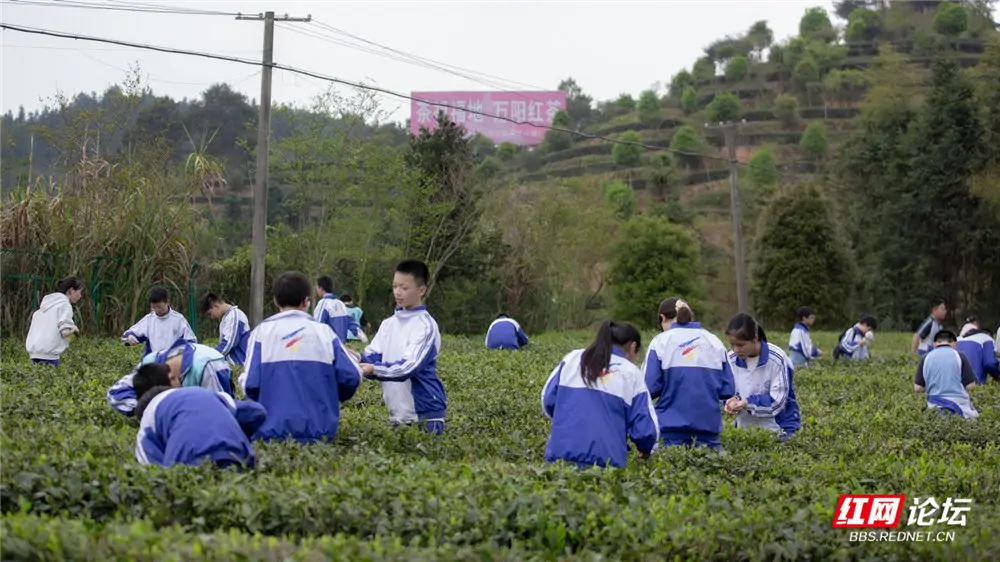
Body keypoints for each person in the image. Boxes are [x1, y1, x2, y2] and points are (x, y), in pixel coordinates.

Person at [239, 271, 361, 443]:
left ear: (276, 301)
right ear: (306, 301)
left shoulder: (261, 332)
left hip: (271, 438)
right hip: (320, 436)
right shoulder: (324, 333)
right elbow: (351, 376)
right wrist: (332, 396)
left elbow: (250, 385)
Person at [542, 320, 658, 469]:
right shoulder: (631, 372)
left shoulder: (571, 359)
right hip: (605, 464)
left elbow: (547, 401)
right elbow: (645, 429)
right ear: (632, 347)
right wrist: (645, 450)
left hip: (559, 459)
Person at [359, 260, 448, 435]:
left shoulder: (426, 326)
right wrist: (354, 356)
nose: (397, 292)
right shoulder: (388, 324)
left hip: (425, 416)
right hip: (398, 416)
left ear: (421, 290)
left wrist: (373, 369)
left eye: (404, 288)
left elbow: (408, 367)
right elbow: (371, 358)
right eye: (395, 286)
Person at [641, 297, 735, 450]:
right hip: (709, 432)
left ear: (662, 318)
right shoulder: (714, 341)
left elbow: (648, 388)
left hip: (670, 432)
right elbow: (728, 390)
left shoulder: (660, 342)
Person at [134, 381, 266, 469]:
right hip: (234, 451)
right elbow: (256, 412)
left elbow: (151, 470)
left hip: (187, 458)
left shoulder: (148, 415)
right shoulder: (205, 393)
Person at [106, 338, 232, 417]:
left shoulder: (207, 366)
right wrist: (146, 409)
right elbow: (116, 392)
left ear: (172, 378)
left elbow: (222, 412)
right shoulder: (151, 363)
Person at [724, 313, 801, 439]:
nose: (736, 350)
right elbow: (731, 390)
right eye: (732, 345)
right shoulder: (731, 359)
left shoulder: (777, 358)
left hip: (778, 429)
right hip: (744, 430)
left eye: (741, 345)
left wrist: (747, 402)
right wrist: (732, 401)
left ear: (755, 338)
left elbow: (778, 402)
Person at [914, 330, 979, 419]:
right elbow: (970, 386)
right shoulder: (960, 356)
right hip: (959, 407)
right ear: (955, 344)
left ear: (935, 344)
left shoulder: (925, 357)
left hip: (934, 406)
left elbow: (917, 388)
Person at [25, 276, 84, 366]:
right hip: (50, 357)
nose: (80, 296)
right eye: (79, 292)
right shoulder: (65, 305)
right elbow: (65, 333)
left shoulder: (45, 306)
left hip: (34, 354)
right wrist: (75, 331)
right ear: (71, 290)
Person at [122, 285, 197, 356]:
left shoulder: (179, 320)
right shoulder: (149, 320)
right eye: (153, 307)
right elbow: (127, 335)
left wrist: (182, 352)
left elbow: (192, 341)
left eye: (159, 307)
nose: (156, 310)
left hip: (173, 360)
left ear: (167, 302)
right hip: (153, 361)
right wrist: (130, 337)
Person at [200, 293, 251, 367]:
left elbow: (228, 345)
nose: (211, 317)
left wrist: (209, 356)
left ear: (216, 306)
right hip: (235, 365)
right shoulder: (226, 318)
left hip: (240, 365)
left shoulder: (234, 316)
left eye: (210, 313)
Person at [313, 276, 364, 343]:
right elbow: (351, 323)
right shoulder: (341, 304)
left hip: (329, 345)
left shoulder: (323, 304)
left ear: (321, 288)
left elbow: (318, 326)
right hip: (341, 345)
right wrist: (362, 337)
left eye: (317, 287)